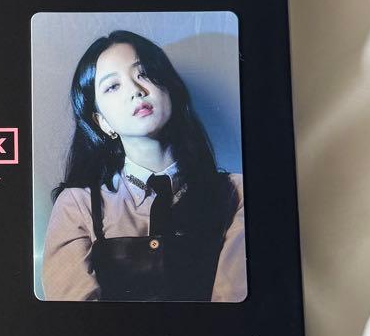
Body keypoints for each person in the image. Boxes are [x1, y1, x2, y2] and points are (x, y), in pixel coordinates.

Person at [41, 29, 247, 302]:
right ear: (102, 122)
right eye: (113, 86)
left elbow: (233, 308)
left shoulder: (237, 192)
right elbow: (74, 318)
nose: (136, 91)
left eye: (144, 74)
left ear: (169, 89)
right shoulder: (77, 205)